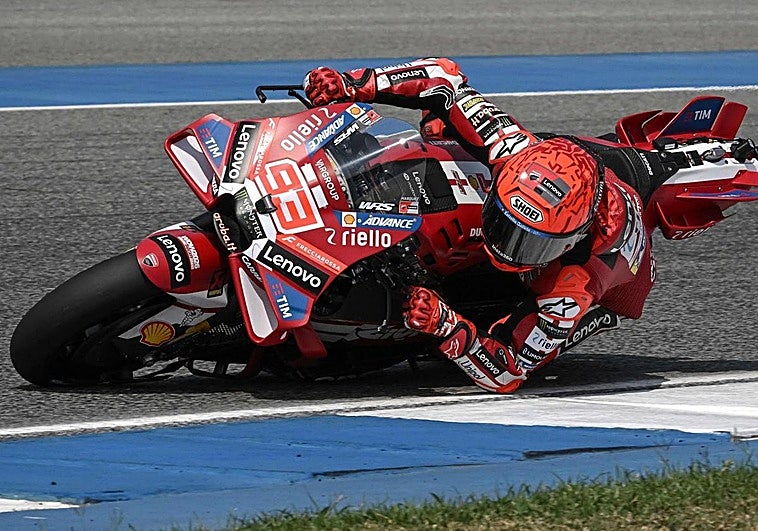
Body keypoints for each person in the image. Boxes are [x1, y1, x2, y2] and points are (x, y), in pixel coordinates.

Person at [302, 57, 662, 393]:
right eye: (506, 225)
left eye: (530, 242)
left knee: (467, 332)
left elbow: (509, 373)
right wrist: (354, 84)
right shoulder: (512, 147)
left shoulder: (575, 288)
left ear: (572, 239)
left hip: (617, 282)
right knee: (438, 129)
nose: (507, 246)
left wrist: (448, 327)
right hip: (576, 162)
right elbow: (442, 77)